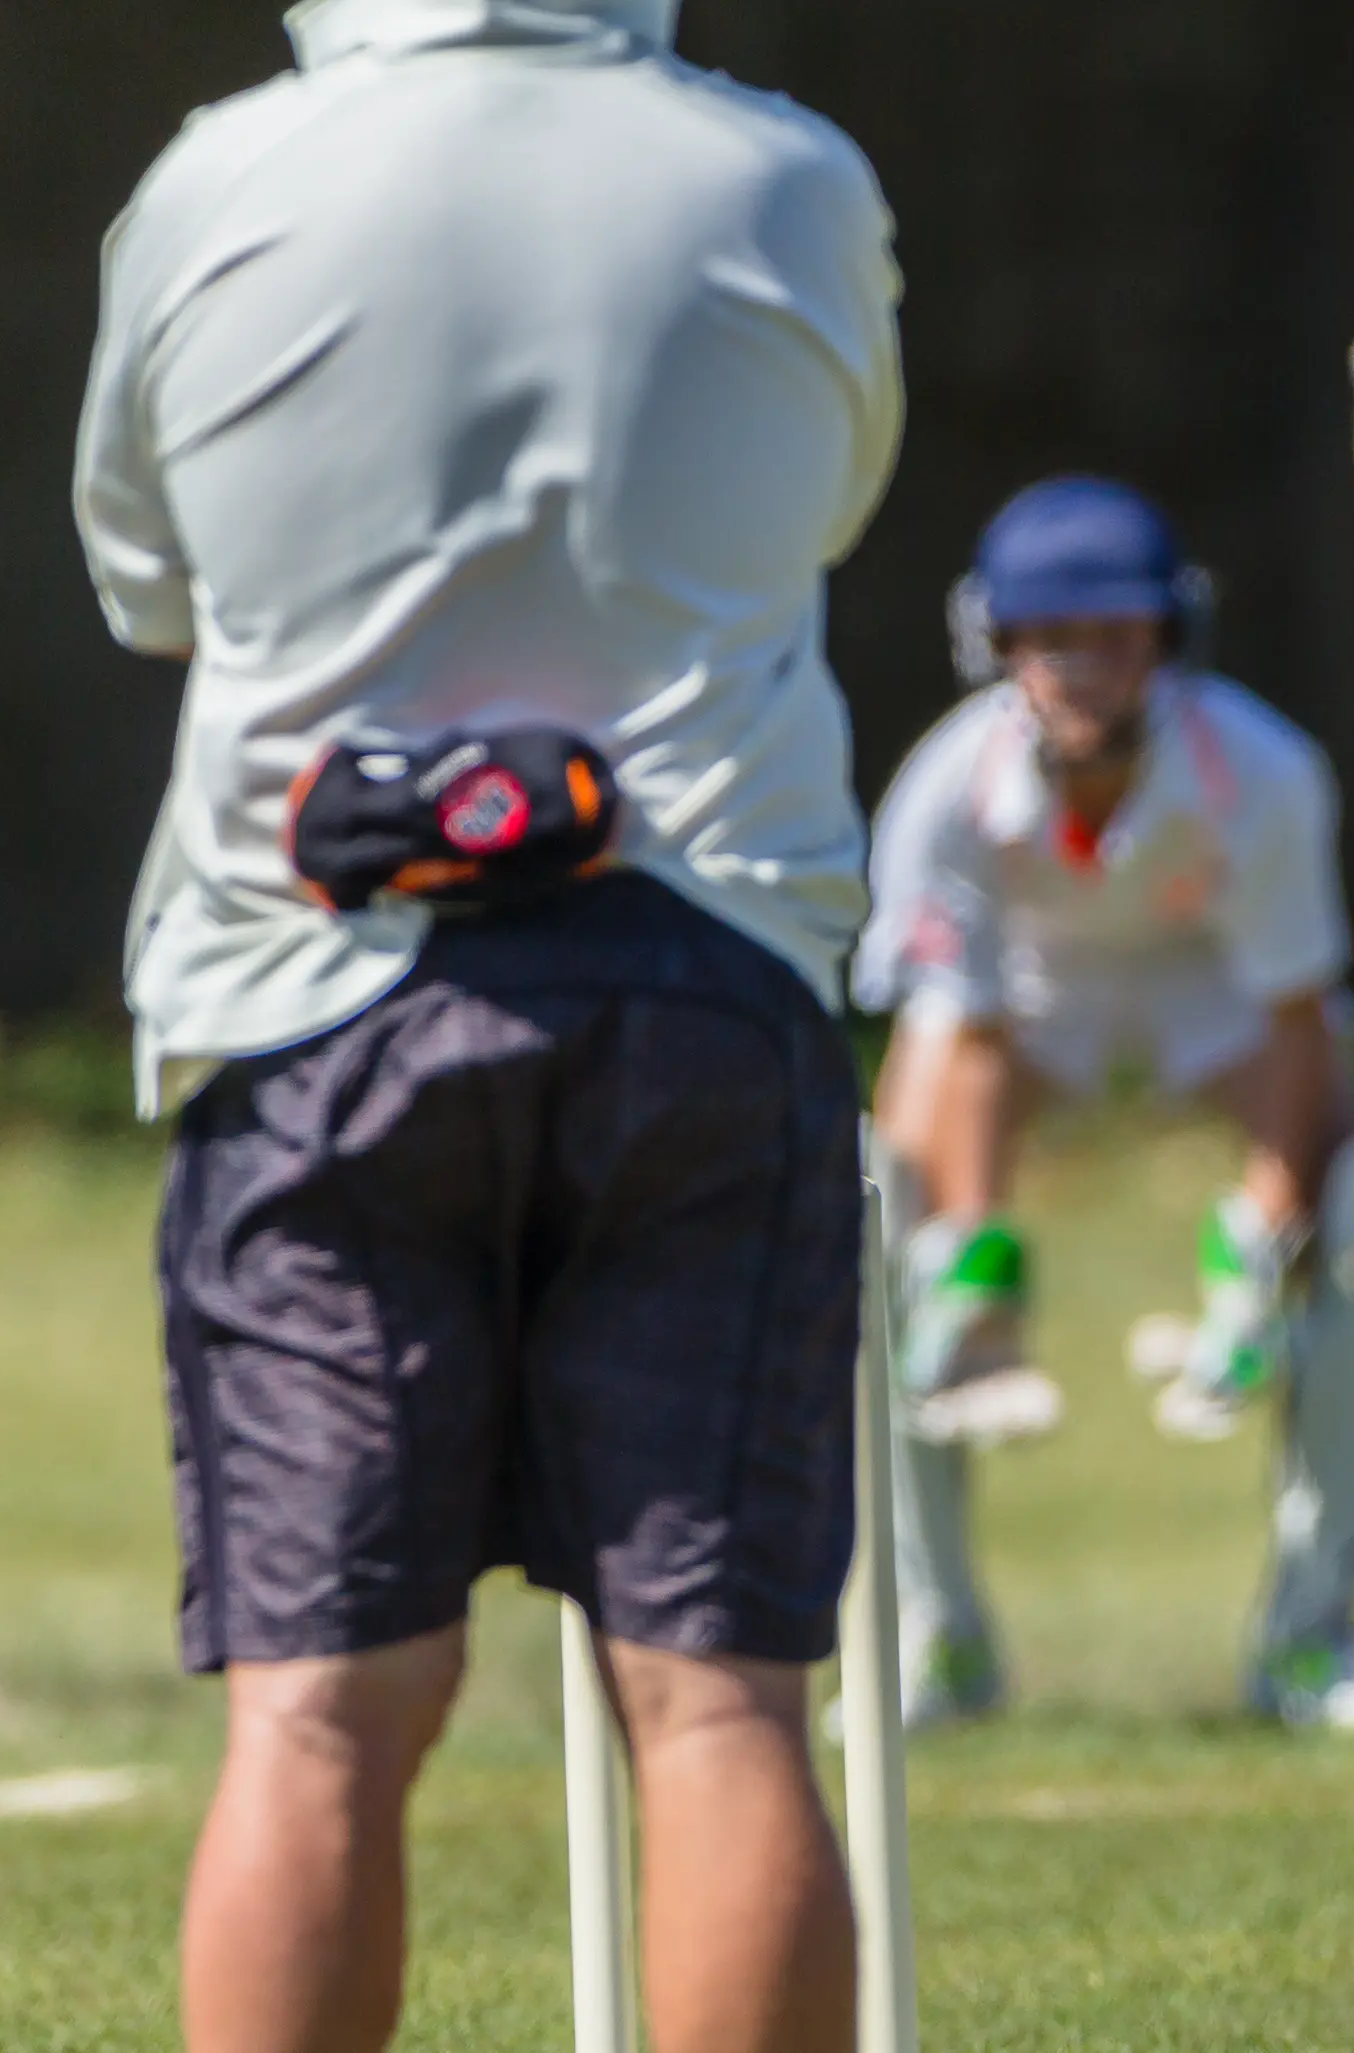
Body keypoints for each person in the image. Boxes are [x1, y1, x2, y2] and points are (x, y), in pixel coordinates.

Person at [71, 3, 900, 2050]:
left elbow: (143, 584)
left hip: (313, 987)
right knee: (716, 1701)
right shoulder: (786, 174)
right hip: (707, 969)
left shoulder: (215, 179)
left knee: (321, 1713)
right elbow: (830, 502)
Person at [852, 475, 1354, 1733]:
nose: (1081, 669)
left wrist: (1255, 1247)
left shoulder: (1261, 772)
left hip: (1212, 995)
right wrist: (973, 1257)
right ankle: (935, 1634)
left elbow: (1295, 1023)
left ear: (1166, 640)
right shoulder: (944, 791)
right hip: (1024, 1002)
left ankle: (1311, 1635)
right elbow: (962, 1033)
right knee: (869, 1207)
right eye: (1050, 640)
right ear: (999, 645)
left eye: (1114, 639)